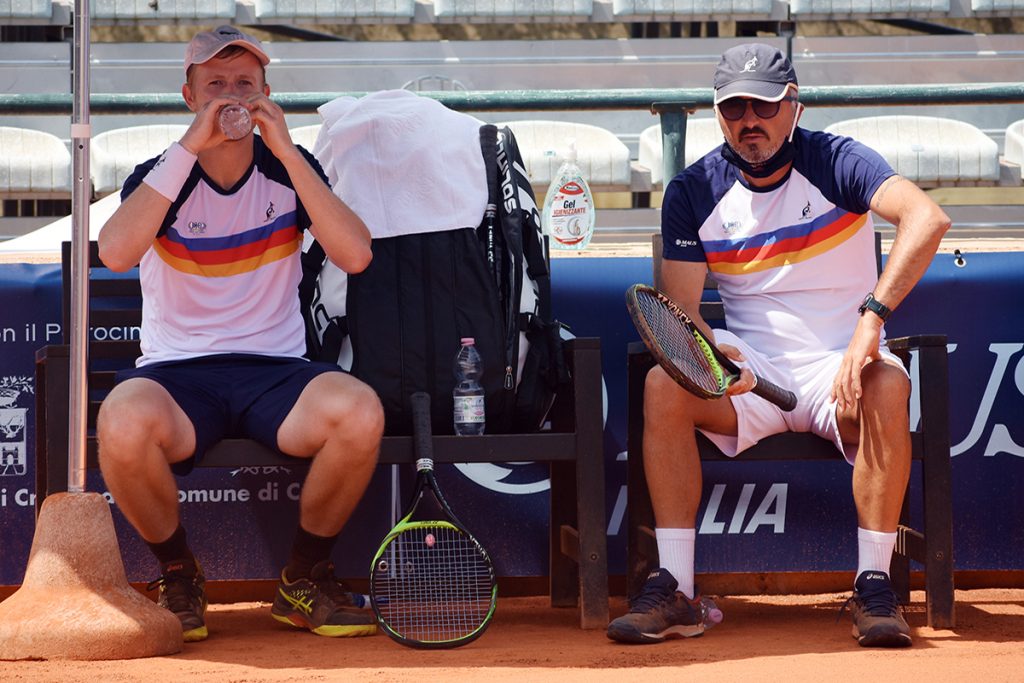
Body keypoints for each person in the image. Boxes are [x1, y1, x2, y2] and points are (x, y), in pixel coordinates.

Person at [607, 44, 950, 648]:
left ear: (793, 104)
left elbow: (927, 219)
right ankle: (679, 592)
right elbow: (683, 320)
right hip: (751, 374)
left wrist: (869, 323)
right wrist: (712, 359)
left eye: (763, 105)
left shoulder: (838, 160)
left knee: (890, 380)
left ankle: (876, 587)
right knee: (665, 385)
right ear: (717, 115)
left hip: (842, 365)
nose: (749, 121)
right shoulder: (692, 191)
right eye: (734, 107)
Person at [96, 26, 384, 642]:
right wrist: (187, 148)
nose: (231, 97)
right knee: (121, 422)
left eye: (245, 85)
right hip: (177, 374)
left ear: (267, 94)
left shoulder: (289, 170)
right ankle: (179, 575)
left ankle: (303, 580)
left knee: (358, 412)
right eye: (215, 85)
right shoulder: (161, 175)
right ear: (188, 95)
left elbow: (356, 254)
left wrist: (287, 154)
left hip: (273, 369)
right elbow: (116, 251)